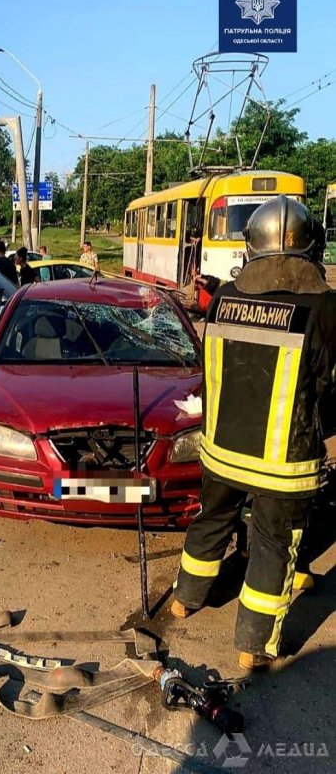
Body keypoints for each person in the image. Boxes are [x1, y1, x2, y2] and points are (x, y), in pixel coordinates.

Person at [171, 196, 336, 671]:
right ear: (310, 248)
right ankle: (252, 645)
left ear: (250, 248)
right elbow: (326, 382)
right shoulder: (323, 307)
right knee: (271, 543)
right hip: (281, 462)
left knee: (213, 519)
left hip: (222, 449)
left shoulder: (225, 298)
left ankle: (186, 599)